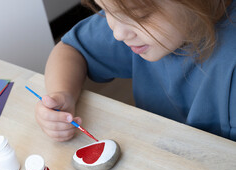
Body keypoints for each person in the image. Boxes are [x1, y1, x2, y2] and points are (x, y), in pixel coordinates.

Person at [35, 0, 236, 142]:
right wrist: (62, 94)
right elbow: (71, 49)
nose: (118, 33)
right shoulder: (130, 15)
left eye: (140, 16)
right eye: (105, 9)